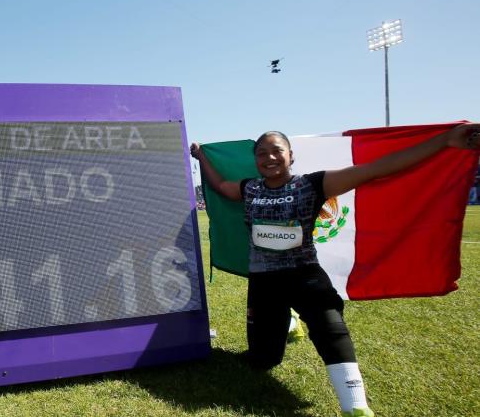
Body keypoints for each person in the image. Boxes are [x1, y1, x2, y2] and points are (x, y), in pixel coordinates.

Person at [190, 123, 480, 417]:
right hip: (264, 282)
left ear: (291, 156)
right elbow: (220, 187)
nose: (269, 157)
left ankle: (355, 406)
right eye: (262, 153)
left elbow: (376, 168)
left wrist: (445, 141)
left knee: (331, 329)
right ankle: (289, 321)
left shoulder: (311, 185)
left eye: (277, 150)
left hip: (305, 275)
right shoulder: (249, 188)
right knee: (262, 360)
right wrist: (202, 156)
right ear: (255, 160)